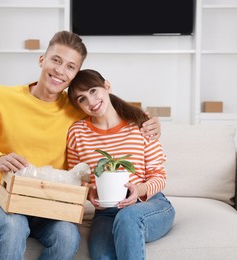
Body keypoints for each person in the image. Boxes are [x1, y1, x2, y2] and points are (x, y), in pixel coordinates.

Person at [0, 31, 161, 260]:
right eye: (56, 60)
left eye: (70, 66)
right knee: (13, 226)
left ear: (75, 75)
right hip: (3, 200)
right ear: (42, 60)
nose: (60, 71)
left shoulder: (76, 109)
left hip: (51, 203)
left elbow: (106, 108)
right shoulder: (0, 98)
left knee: (68, 236)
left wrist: (147, 122)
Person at [66, 69, 175, 260]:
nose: (90, 101)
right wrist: (89, 190)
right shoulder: (77, 132)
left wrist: (138, 190)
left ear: (106, 86)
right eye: (81, 99)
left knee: (128, 218)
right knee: (102, 256)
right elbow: (75, 179)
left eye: (93, 91)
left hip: (150, 204)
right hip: (106, 213)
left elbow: (159, 176)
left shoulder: (140, 124)